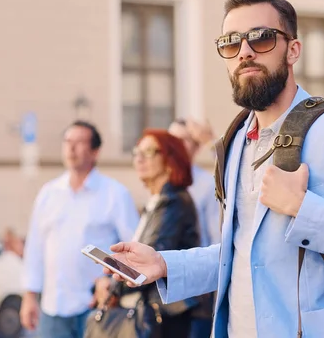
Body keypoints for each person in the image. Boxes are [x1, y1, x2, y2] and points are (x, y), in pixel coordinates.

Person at [103, 0, 324, 338]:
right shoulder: (235, 139)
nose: (245, 52)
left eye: (262, 38)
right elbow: (241, 254)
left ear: (293, 49)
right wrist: (165, 264)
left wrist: (302, 208)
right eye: (231, 43)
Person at [20, 120, 140, 338]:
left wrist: (113, 286)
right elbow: (35, 248)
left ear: (95, 152)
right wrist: (29, 295)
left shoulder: (115, 194)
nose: (71, 148)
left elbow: (132, 251)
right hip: (53, 307)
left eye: (79, 142)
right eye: (67, 142)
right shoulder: (49, 194)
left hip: (97, 306)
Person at [93, 129, 200, 338]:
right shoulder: (157, 202)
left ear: (170, 159)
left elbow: (150, 257)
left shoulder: (173, 201)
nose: (139, 158)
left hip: (168, 316)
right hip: (160, 312)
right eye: (136, 151)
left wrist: (113, 286)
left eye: (150, 151)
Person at [168, 119, 219, 338]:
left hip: (197, 291)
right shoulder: (161, 181)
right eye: (171, 139)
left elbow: (216, 236)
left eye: (183, 140)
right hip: (166, 288)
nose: (175, 145)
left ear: (196, 147)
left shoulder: (207, 184)